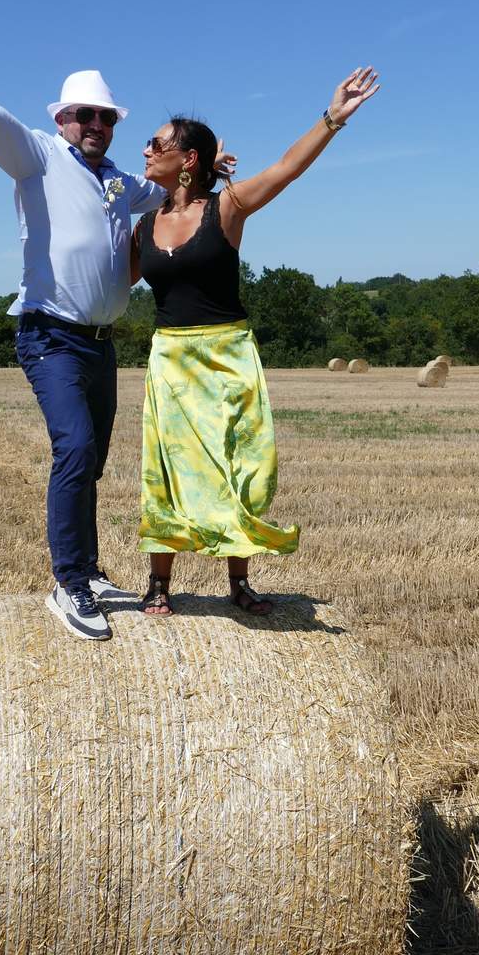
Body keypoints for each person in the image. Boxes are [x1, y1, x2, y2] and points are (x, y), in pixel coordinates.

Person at [0, 8, 230, 641]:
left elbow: (170, 189)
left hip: (103, 344)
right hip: (49, 332)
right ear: (61, 118)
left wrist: (206, 168)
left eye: (106, 117)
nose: (96, 125)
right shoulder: (37, 155)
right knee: (75, 450)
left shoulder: (120, 182)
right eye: (85, 114)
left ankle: (87, 566)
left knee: (93, 459)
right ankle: (69, 583)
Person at [130, 68, 380, 617]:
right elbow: (111, 280)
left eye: (156, 143)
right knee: (167, 469)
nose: (145, 149)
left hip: (228, 355)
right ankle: (158, 583)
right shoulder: (142, 226)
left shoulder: (228, 206)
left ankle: (239, 582)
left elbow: (287, 169)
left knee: (241, 464)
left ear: (187, 159)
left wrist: (331, 119)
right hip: (170, 357)